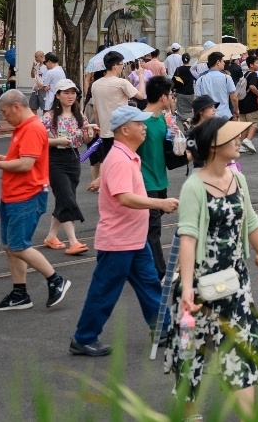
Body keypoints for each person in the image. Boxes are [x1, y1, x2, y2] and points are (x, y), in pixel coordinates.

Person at [171, 118, 258, 415]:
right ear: (214, 147)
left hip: (235, 282)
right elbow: (188, 238)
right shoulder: (193, 186)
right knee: (193, 354)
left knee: (241, 349)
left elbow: (251, 220)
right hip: (201, 285)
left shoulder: (237, 178)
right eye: (232, 138)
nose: (239, 140)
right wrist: (188, 288)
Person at [70, 106, 179, 357]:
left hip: (133, 238)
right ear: (125, 130)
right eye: (139, 124)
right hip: (119, 240)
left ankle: (163, 329)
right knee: (104, 290)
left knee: (150, 284)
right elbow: (124, 198)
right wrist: (160, 203)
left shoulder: (124, 155)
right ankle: (83, 337)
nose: (144, 127)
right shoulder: (120, 157)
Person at [0, 89, 71, 312]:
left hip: (26, 195)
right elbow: (22, 159)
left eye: (4, 112)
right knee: (10, 246)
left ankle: (56, 280)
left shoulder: (31, 128)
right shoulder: (24, 127)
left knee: (18, 246)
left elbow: (26, 165)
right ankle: (20, 293)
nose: (4, 117)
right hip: (14, 194)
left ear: (17, 107)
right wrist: (2, 158)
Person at [41, 80, 93, 256]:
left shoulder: (80, 115)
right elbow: (38, 140)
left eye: (73, 92)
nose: (70, 96)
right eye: (66, 92)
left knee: (64, 198)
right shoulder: (48, 117)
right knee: (67, 198)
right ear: (57, 95)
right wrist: (56, 141)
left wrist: (89, 133)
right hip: (55, 160)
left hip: (74, 158)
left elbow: (85, 141)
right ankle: (73, 241)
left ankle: (51, 236)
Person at [89, 51, 146, 190]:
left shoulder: (95, 85)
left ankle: (104, 188)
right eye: (121, 64)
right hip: (122, 129)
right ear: (115, 66)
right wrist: (141, 77)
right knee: (125, 159)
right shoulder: (121, 83)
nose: (122, 67)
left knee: (106, 160)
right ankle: (124, 188)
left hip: (105, 129)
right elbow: (141, 95)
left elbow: (95, 109)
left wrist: (100, 125)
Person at [140, 76, 177, 277]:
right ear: (163, 97)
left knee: (146, 228)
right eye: (171, 95)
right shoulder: (139, 120)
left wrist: (174, 136)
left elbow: (166, 148)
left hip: (160, 179)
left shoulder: (162, 119)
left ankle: (137, 263)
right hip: (144, 182)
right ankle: (161, 273)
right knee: (153, 230)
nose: (172, 98)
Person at [193, 51, 236, 120]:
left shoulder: (201, 79)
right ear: (218, 62)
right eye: (223, 61)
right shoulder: (226, 78)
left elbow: (197, 99)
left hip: (207, 117)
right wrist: (236, 109)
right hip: (224, 115)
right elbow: (234, 98)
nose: (224, 63)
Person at [236, 54, 258, 153]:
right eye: (257, 63)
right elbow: (252, 86)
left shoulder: (245, 74)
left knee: (244, 124)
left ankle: (242, 145)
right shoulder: (253, 75)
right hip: (251, 102)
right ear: (251, 65)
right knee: (255, 122)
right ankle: (248, 140)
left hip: (242, 102)